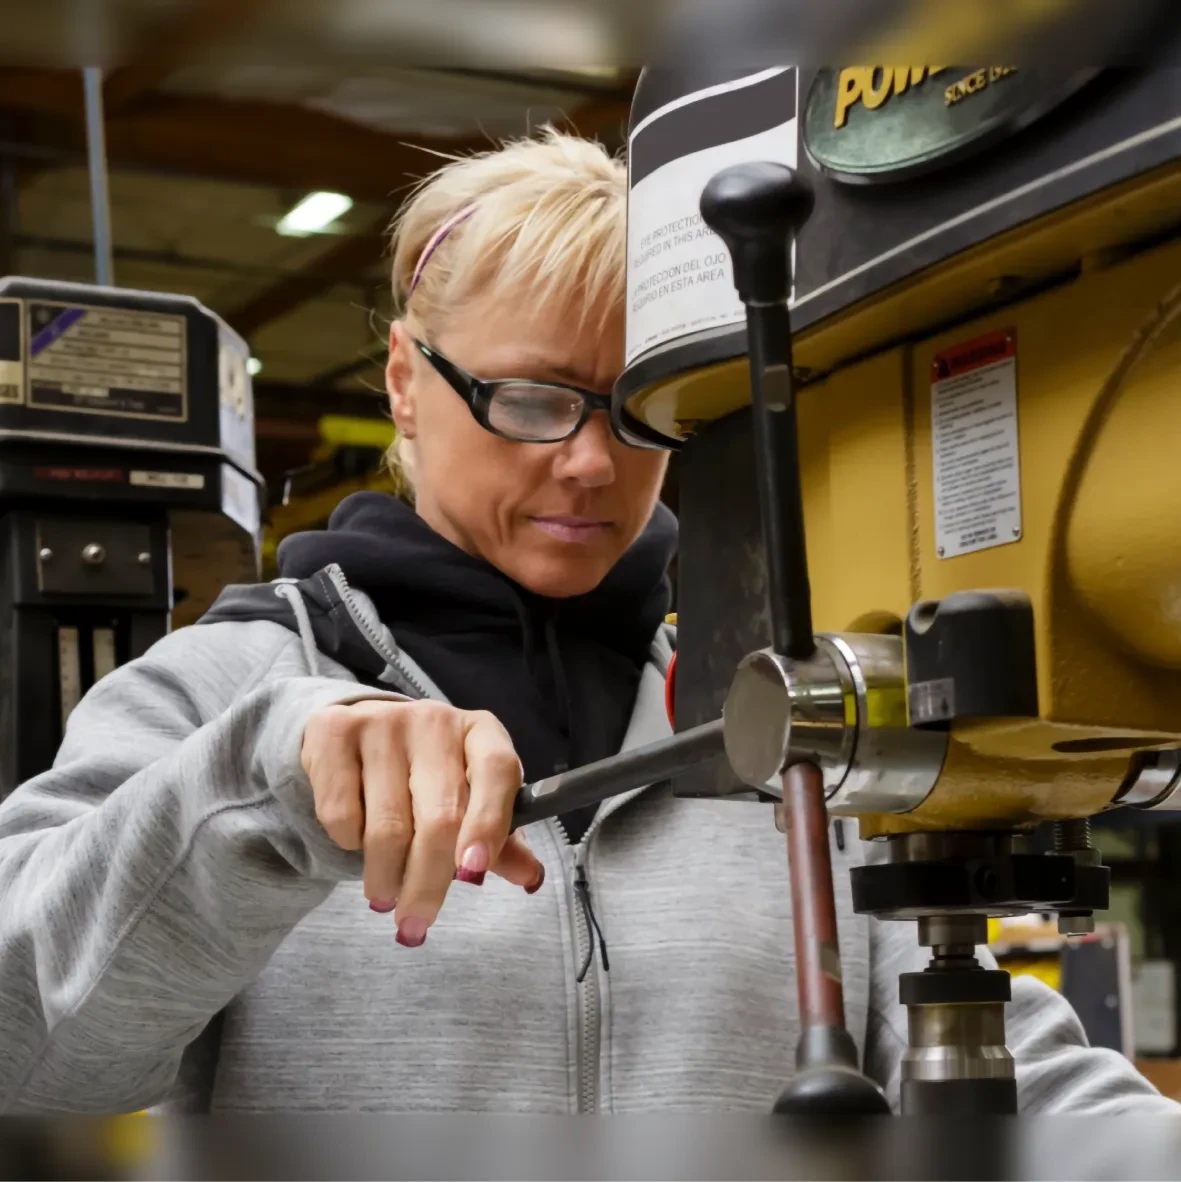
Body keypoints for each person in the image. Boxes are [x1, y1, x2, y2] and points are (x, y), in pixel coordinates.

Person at [0, 128, 1173, 1117]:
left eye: (635, 409)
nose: (590, 463)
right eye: (531, 400)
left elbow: (1005, 1072)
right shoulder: (217, 692)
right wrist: (263, 786)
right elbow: (26, 1056)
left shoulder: (782, 720)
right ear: (406, 380)